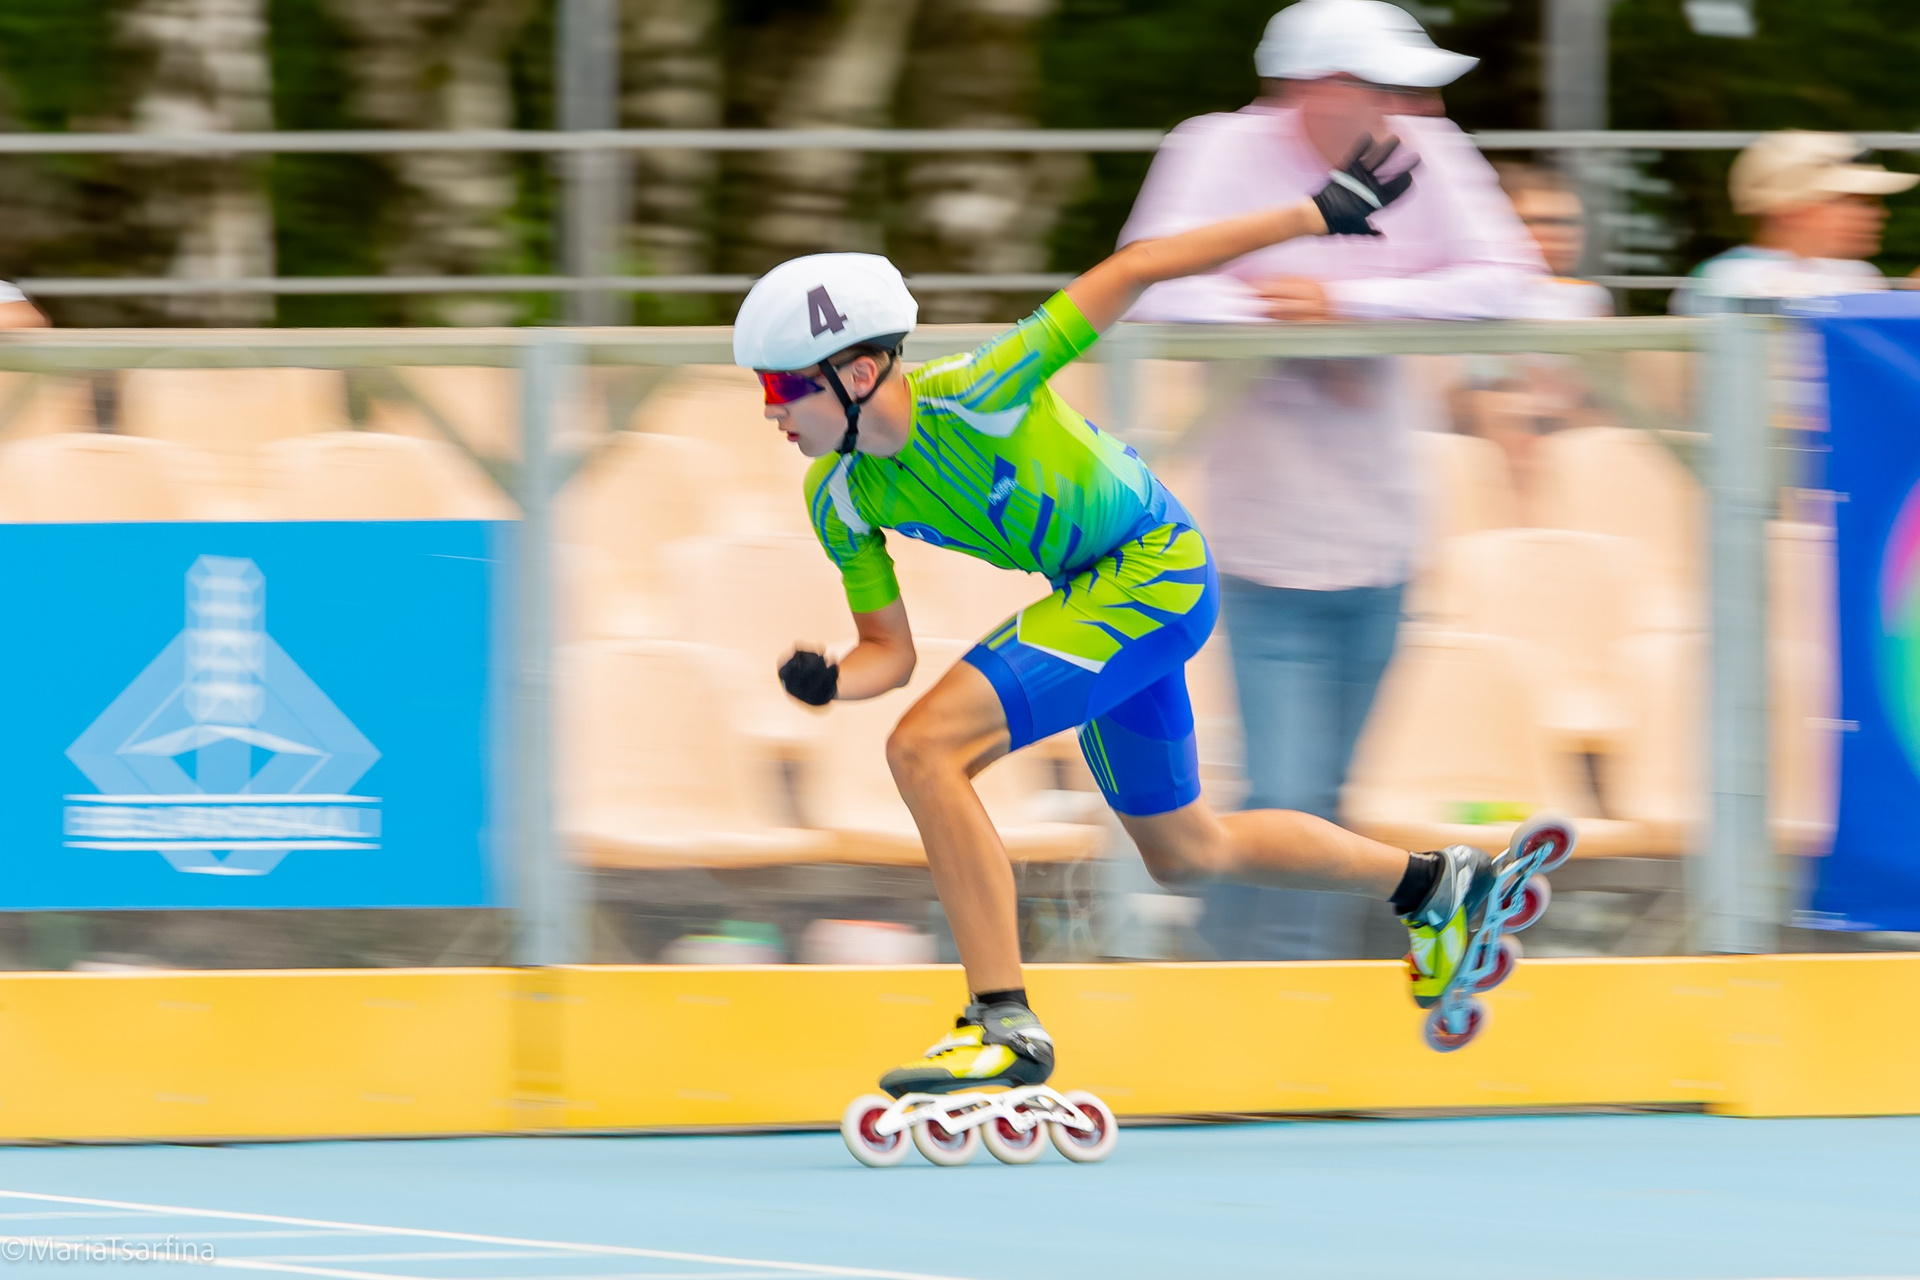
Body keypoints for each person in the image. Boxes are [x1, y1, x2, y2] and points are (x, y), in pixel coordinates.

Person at [734, 136, 1520, 1098]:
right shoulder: (838, 496)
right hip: (1095, 595)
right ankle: (1435, 884)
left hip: (1153, 569)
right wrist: (832, 679)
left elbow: (1139, 265)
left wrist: (1313, 214)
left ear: (857, 374)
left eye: (781, 387)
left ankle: (1001, 1022)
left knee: (923, 751)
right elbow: (886, 654)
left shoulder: (980, 392)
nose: (769, 411)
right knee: (1186, 852)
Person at [1114, 0, 1550, 961]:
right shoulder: (1216, 149)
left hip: (1383, 539)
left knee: (1324, 800)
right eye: (1384, 85)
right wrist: (1287, 318)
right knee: (1287, 793)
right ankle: (1259, 985)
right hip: (1262, 544)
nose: (1409, 105)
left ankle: (1252, 987)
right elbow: (1148, 282)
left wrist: (1346, 304)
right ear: (1319, 88)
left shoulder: (1429, 151)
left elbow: (1509, 280)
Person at [1673, 131, 1916, 313]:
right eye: (1855, 202)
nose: (1880, 214)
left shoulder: (1859, 274)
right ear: (1787, 209)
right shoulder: (1728, 278)